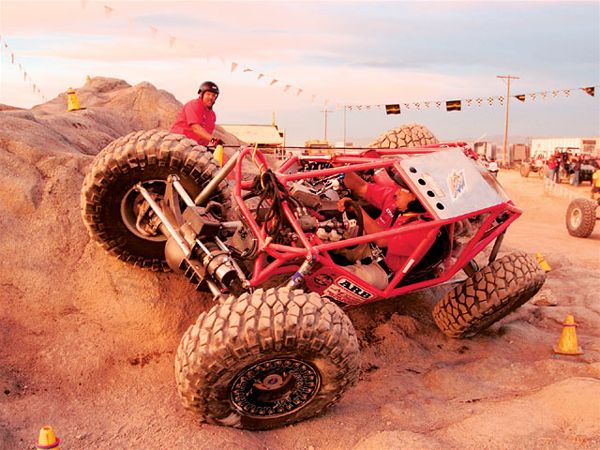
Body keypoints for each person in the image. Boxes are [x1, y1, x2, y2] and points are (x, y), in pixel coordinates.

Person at [336, 171, 428, 289]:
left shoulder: (423, 228)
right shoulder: (396, 200)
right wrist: (343, 168)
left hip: (382, 269)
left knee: (341, 280)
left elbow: (383, 240)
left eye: (403, 190)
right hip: (367, 245)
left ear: (417, 197)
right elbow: (362, 187)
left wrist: (357, 209)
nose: (396, 192)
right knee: (328, 232)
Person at [170, 81, 220, 147]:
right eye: (208, 94)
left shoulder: (212, 115)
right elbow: (196, 128)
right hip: (180, 144)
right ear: (201, 94)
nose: (211, 97)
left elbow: (206, 136)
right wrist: (213, 140)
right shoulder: (194, 105)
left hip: (197, 147)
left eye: (214, 95)